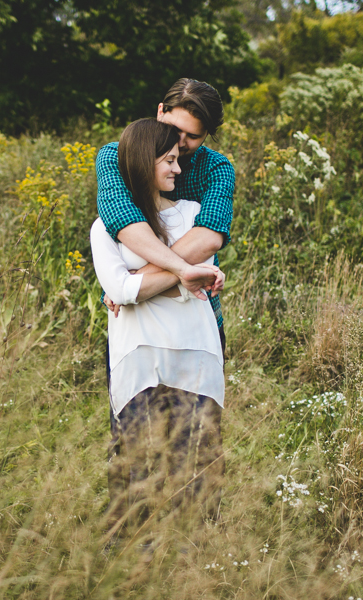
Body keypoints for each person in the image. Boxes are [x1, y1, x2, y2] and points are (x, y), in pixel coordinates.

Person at [90, 119, 226, 538]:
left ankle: (196, 562)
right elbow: (117, 287)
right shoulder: (107, 228)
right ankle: (132, 565)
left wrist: (139, 288)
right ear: (142, 161)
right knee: (134, 465)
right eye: (168, 160)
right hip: (139, 361)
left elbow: (137, 289)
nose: (179, 169)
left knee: (197, 467)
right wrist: (183, 276)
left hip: (196, 357)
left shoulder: (193, 216)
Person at [96, 78, 234, 347]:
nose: (180, 142)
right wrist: (185, 270)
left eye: (193, 136)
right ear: (161, 111)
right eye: (174, 129)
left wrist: (131, 283)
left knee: (200, 387)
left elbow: (210, 237)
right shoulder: (116, 156)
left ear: (206, 135)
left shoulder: (216, 168)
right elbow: (123, 221)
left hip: (195, 314)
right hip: (135, 322)